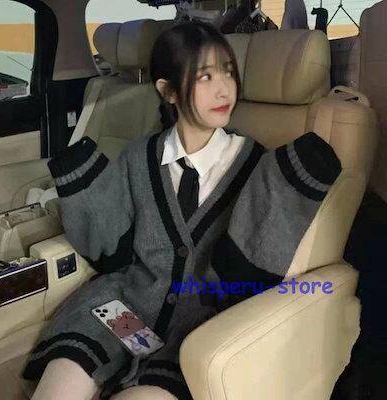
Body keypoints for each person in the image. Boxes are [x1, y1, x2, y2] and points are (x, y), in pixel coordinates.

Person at [22, 21, 341, 400]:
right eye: (205, 76)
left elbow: (251, 267)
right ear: (168, 90)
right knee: (59, 387)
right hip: (123, 305)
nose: (224, 88)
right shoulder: (138, 156)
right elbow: (111, 251)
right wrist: (79, 181)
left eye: (228, 72)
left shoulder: (257, 165)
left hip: (196, 329)